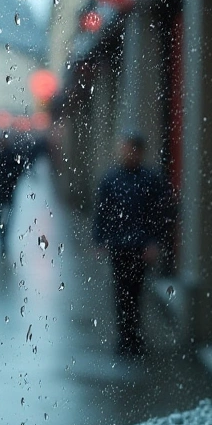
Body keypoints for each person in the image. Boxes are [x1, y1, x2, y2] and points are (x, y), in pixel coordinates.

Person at [92, 132, 174, 358]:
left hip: (140, 245)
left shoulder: (150, 179)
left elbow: (160, 213)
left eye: (132, 149)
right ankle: (124, 337)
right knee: (121, 291)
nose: (128, 153)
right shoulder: (111, 179)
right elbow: (102, 211)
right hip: (119, 245)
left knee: (135, 291)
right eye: (125, 148)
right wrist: (100, 240)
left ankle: (133, 336)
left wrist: (154, 242)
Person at [0, 131, 36, 257]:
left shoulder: (0, 154)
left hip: (3, 190)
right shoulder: (5, 154)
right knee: (5, 215)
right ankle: (3, 237)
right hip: (6, 190)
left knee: (2, 215)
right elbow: (19, 169)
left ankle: (3, 237)